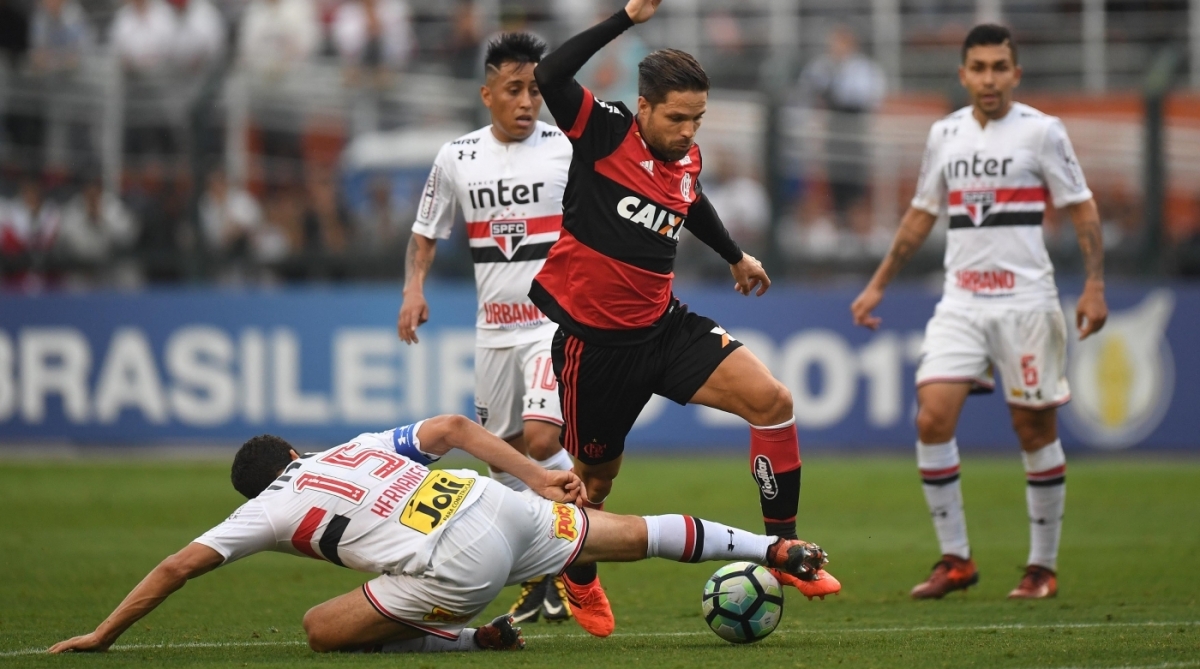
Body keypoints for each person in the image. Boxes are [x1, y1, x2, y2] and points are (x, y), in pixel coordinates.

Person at [529, 0, 840, 638]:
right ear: (643, 107)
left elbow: (690, 201)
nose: (689, 131)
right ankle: (579, 572)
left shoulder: (684, 157)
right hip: (598, 348)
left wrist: (736, 255)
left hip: (664, 327)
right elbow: (550, 75)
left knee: (772, 400)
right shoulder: (604, 132)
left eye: (698, 119)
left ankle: (785, 553)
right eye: (677, 117)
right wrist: (625, 18)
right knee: (593, 483)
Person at [47, 414, 831, 655]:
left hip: (459, 559)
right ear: (294, 452)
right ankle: (780, 551)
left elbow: (177, 566)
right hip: (497, 501)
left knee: (322, 629)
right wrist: (535, 475)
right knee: (632, 533)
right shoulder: (349, 446)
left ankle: (468, 639)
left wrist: (103, 633)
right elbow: (454, 424)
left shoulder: (263, 510)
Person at [850, 24, 1108, 601]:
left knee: (1032, 428)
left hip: (1027, 303)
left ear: (1015, 73)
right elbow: (921, 214)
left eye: (999, 67)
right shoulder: (944, 134)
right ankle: (956, 559)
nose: (989, 78)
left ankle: (1041, 566)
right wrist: (877, 285)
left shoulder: (1042, 132)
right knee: (931, 418)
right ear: (963, 74)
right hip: (960, 301)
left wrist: (1094, 284)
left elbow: (1082, 207)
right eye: (979, 67)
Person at [397, 33, 575, 625]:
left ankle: (578, 556)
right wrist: (413, 289)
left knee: (544, 442)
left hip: (552, 324)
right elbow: (426, 231)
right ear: (487, 94)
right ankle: (549, 574)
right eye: (515, 89)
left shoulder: (567, 147)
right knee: (503, 462)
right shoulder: (457, 157)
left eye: (535, 90)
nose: (528, 101)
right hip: (493, 331)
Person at [796, 25, 885, 238]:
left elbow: (868, 98)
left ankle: (856, 228)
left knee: (854, 184)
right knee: (831, 183)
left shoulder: (865, 69)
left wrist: (836, 90)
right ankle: (838, 226)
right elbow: (806, 92)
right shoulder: (821, 66)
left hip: (855, 133)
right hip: (829, 133)